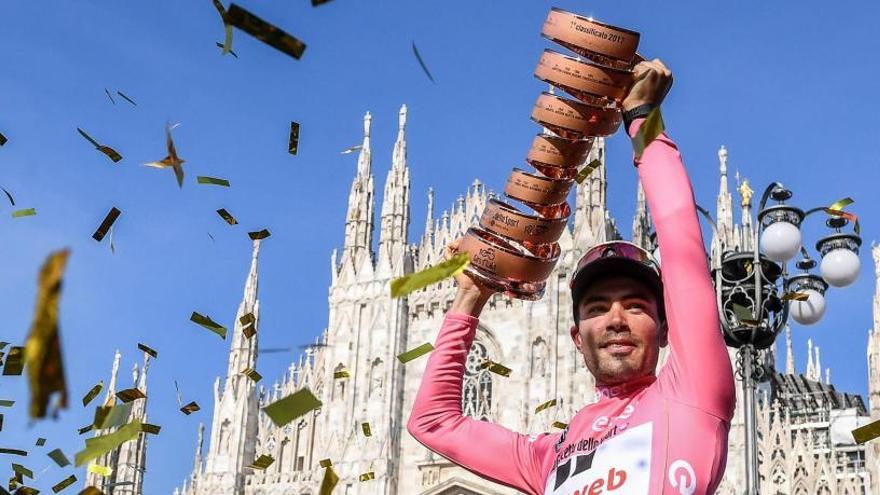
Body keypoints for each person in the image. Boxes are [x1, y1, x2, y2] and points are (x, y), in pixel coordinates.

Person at [407, 59, 736, 495]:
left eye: (635, 305)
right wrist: (470, 297)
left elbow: (680, 241)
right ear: (577, 337)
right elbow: (433, 421)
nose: (616, 318)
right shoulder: (551, 455)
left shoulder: (691, 398)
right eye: (597, 308)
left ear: (665, 330)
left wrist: (642, 119)